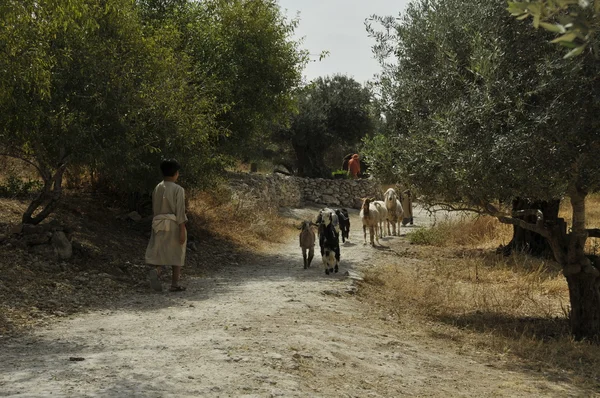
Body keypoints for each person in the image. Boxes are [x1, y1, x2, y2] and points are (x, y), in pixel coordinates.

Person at [145, 159, 188, 292]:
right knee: (177, 252)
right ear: (175, 173)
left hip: (158, 223)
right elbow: (180, 210)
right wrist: (182, 229)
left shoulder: (158, 187)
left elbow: (154, 207)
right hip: (173, 223)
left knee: (160, 250)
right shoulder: (178, 189)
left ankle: (157, 272)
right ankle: (174, 284)